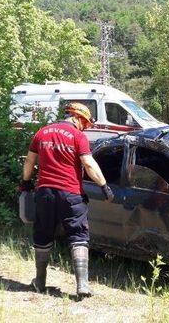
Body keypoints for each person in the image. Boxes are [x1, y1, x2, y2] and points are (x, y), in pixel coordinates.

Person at [20, 102, 114, 298]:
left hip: (45, 193)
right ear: (77, 117)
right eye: (85, 124)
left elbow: (29, 161)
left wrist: (25, 182)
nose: (84, 128)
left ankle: (40, 282)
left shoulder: (42, 132)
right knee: (78, 236)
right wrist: (104, 186)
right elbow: (88, 164)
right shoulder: (78, 137)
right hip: (71, 194)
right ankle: (82, 286)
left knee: (43, 235)